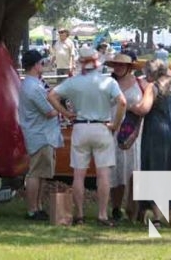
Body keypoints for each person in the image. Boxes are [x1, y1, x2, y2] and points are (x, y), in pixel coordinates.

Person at [48, 46, 127, 227]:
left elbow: (51, 95)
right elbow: (122, 102)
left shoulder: (73, 82)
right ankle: (102, 215)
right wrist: (116, 124)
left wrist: (65, 113)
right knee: (103, 174)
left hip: (81, 127)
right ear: (96, 62)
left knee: (78, 174)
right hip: (102, 127)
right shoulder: (108, 82)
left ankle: (80, 214)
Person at [131, 59, 171, 229]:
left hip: (159, 133)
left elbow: (144, 108)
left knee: (156, 170)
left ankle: (158, 218)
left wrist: (132, 107)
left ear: (151, 74)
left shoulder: (152, 87)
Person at [18, 50, 63, 221]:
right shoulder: (33, 87)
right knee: (35, 173)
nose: (43, 66)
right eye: (41, 63)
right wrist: (61, 106)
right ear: (36, 65)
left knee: (43, 173)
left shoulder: (36, 84)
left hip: (44, 134)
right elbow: (50, 111)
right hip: (40, 135)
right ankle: (32, 209)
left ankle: (38, 206)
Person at [104, 53, 143, 222]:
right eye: (115, 64)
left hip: (135, 133)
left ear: (129, 66)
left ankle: (133, 209)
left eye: (122, 64)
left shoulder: (141, 83)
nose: (118, 67)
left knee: (135, 171)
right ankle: (116, 208)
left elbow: (146, 105)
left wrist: (136, 108)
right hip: (113, 131)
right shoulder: (108, 83)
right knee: (116, 171)